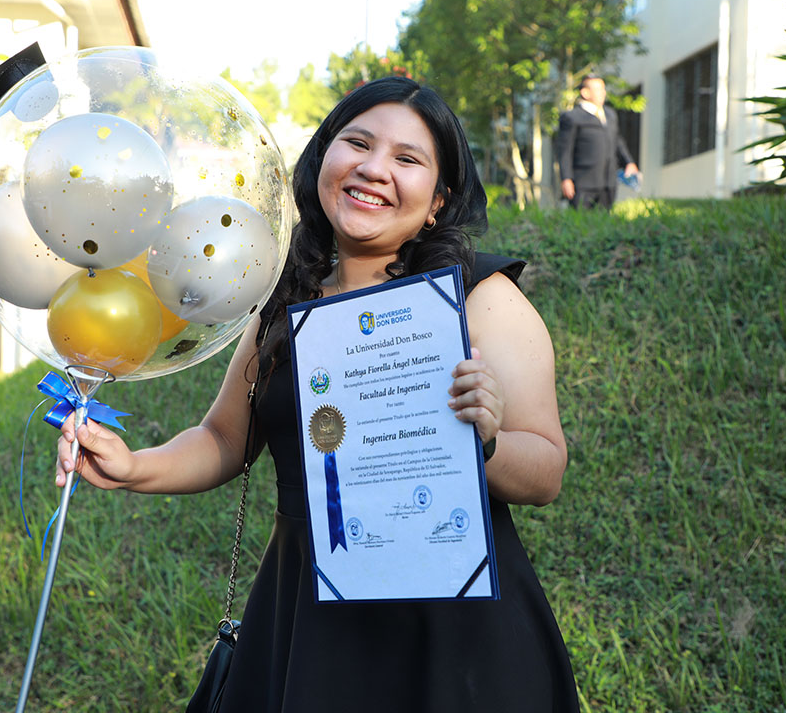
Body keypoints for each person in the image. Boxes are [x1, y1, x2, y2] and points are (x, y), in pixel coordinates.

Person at [55, 76, 577, 712]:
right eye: (356, 142)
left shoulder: (479, 297)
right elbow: (224, 438)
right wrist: (134, 467)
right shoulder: (284, 298)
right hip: (307, 618)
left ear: (438, 200)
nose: (374, 168)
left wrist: (485, 440)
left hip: (452, 635)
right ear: (324, 157)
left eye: (407, 159)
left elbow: (546, 471)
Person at [554, 74, 638, 211]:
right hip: (583, 183)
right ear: (585, 92)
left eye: (603, 89)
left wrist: (629, 162)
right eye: (598, 89)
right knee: (583, 224)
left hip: (608, 182)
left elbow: (617, 140)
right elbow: (565, 151)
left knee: (604, 222)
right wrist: (566, 178)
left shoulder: (610, 115)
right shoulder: (572, 117)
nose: (603, 93)